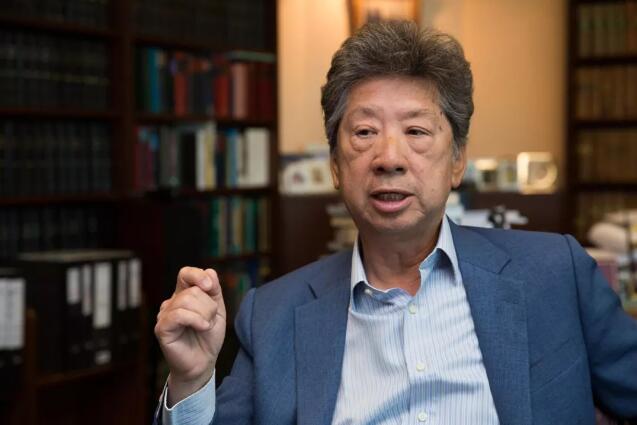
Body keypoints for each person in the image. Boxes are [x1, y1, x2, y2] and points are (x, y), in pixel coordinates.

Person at [153, 21, 637, 425]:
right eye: (364, 132)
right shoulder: (273, 315)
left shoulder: (555, 274)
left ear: (457, 160)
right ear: (336, 166)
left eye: (416, 131)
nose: (389, 158)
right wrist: (192, 380)